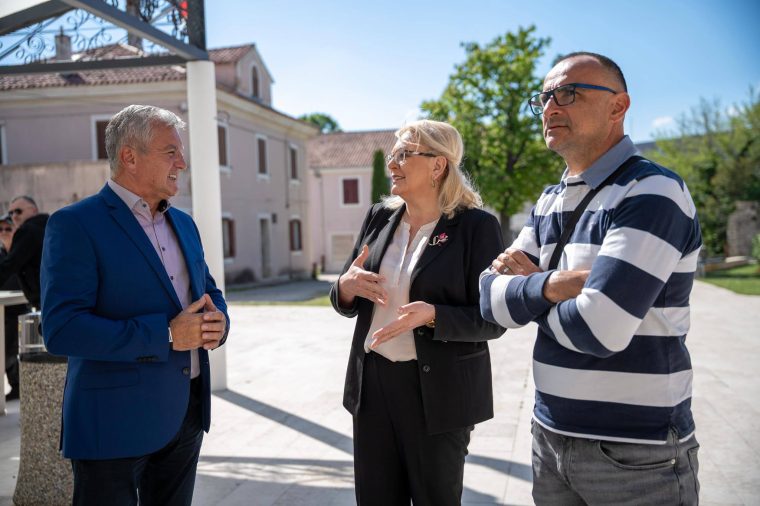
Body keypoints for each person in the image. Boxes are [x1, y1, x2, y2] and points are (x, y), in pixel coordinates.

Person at [479, 52, 702, 505]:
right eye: (543, 98)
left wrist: (528, 292)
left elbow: (600, 330)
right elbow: (488, 299)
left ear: (618, 106)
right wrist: (554, 286)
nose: (549, 108)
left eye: (567, 94)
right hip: (548, 437)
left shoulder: (652, 191)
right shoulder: (548, 200)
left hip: (637, 454)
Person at [40, 104, 230, 506]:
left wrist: (219, 322)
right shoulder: (75, 224)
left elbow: (208, 291)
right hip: (113, 425)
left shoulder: (185, 223)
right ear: (129, 156)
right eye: (170, 152)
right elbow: (62, 329)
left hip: (185, 417)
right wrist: (165, 334)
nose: (182, 163)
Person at [331, 119, 505, 505]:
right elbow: (345, 289)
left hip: (438, 393)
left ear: (438, 165)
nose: (392, 163)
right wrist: (345, 286)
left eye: (404, 154)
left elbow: (492, 319)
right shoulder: (379, 217)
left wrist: (433, 315)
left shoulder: (476, 227)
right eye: (393, 154)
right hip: (373, 386)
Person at [0, 195, 48, 310]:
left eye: (18, 211)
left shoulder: (27, 231)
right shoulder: (50, 226)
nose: (14, 216)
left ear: (34, 210)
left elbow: (10, 265)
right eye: (11, 213)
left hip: (44, 300)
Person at [0, 215, 26, 401]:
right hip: (4, 310)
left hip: (20, 309)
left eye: (7, 229)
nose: (4, 233)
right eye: (0, 230)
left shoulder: (21, 253)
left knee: (13, 350)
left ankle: (17, 385)